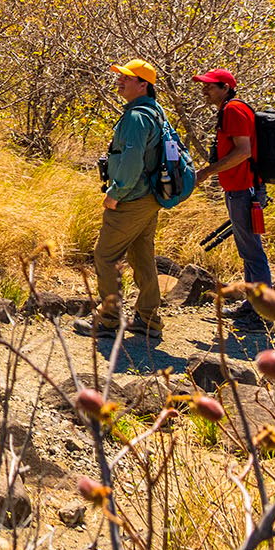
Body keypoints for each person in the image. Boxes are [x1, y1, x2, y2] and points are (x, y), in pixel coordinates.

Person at [75, 59, 166, 340]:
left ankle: (109, 320)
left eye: (128, 77)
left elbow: (130, 160)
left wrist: (116, 193)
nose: (120, 80)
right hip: (150, 197)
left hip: (132, 197)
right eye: (121, 76)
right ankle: (148, 320)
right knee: (142, 257)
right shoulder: (155, 112)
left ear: (143, 85)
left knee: (106, 256)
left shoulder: (137, 116)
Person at [192, 68, 274, 328]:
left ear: (226, 87)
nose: (205, 90)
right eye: (204, 86)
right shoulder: (229, 109)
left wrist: (206, 172)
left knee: (253, 253)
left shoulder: (233, 110)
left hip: (244, 189)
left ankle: (262, 314)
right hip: (241, 188)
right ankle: (252, 306)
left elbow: (243, 152)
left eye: (211, 86)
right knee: (248, 251)